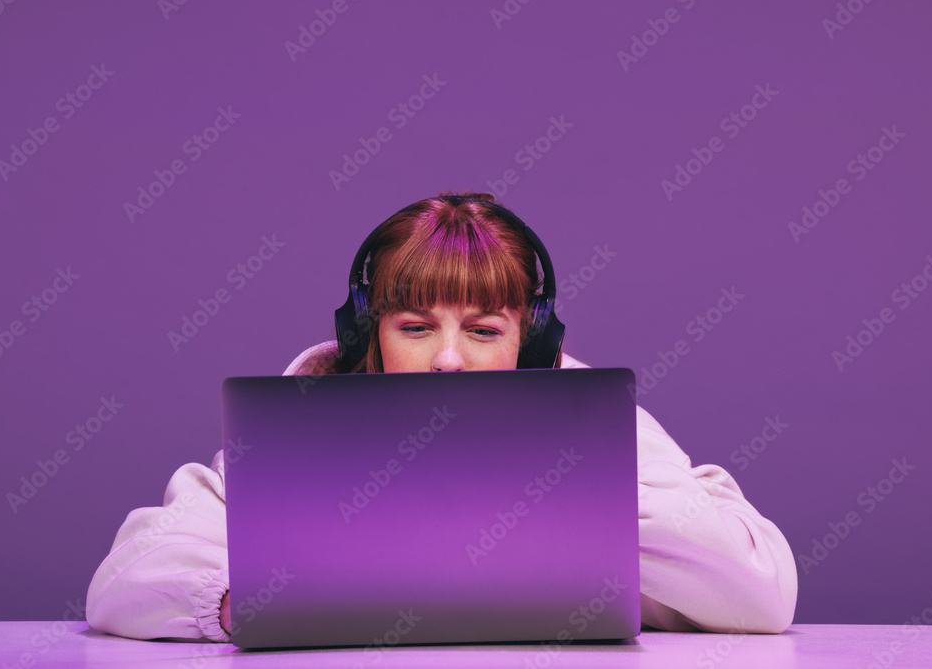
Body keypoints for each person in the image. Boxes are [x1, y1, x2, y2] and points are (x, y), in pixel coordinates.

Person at [86, 192, 797, 642]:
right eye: (417, 326)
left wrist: (578, 448)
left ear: (533, 340)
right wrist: (247, 605)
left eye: (484, 330)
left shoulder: (606, 428)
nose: (449, 360)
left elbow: (760, 594)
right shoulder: (297, 434)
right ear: (369, 335)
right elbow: (124, 581)